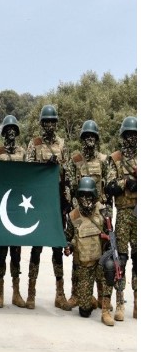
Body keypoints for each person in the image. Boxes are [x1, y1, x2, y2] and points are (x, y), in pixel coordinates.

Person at [26, 104, 71, 310]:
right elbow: (27, 171)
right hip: (38, 203)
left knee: (57, 248)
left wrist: (67, 202)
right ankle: (31, 292)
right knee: (36, 248)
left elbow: (67, 173)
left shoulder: (62, 144)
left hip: (56, 203)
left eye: (53, 122)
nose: (50, 125)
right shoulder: (34, 144)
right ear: (42, 124)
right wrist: (44, 166)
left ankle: (60, 294)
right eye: (46, 122)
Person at [65, 120, 107, 311]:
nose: (90, 139)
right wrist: (74, 212)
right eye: (86, 136)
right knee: (79, 256)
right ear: (82, 139)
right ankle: (76, 294)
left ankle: (101, 296)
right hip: (80, 212)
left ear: (96, 139)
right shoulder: (75, 160)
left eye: (93, 136)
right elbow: (70, 186)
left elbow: (107, 187)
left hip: (98, 211)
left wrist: (106, 212)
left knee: (101, 255)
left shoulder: (104, 160)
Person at [64, 177, 114, 326]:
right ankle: (88, 299)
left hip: (100, 262)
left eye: (89, 195)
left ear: (94, 195)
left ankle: (105, 310)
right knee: (84, 311)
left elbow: (111, 234)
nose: (86, 199)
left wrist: (109, 248)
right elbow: (68, 237)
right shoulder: (74, 215)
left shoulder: (103, 211)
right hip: (84, 265)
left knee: (110, 267)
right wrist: (68, 247)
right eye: (82, 195)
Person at [104, 116, 137, 319]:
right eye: (128, 135)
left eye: (134, 135)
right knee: (121, 259)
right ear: (123, 137)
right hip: (124, 214)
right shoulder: (115, 158)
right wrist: (126, 183)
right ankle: (120, 303)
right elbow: (109, 186)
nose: (131, 138)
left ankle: (137, 303)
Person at [0, 115, 27, 308]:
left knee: (16, 252)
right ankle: (0, 292)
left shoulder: (23, 152)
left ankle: (16, 292)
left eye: (14, 129)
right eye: (8, 129)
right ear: (4, 133)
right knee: (1, 252)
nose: (11, 132)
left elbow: (30, 173)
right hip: (1, 207)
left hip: (17, 207)